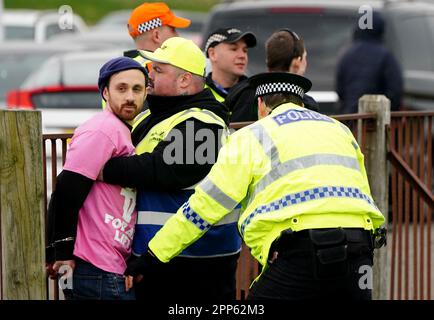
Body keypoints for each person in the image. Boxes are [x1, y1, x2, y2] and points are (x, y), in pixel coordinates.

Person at [124, 72, 386, 300]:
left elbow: (205, 208)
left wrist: (152, 255)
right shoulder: (340, 130)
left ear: (261, 105)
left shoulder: (253, 135)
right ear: (300, 101)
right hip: (359, 251)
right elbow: (362, 190)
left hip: (302, 251)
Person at [100, 37, 241, 301]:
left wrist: (100, 169)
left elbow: (164, 170)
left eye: (159, 70)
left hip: (197, 264)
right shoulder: (155, 115)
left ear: (185, 81)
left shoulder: (205, 123)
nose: (148, 74)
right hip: (160, 259)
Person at [45, 57, 148, 300]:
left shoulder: (123, 129)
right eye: (121, 89)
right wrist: (60, 254)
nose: (130, 97)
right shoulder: (103, 129)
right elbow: (66, 191)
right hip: (94, 271)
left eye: (137, 89)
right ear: (105, 92)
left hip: (109, 268)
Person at [336, 11, 403, 114]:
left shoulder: (347, 55)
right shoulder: (385, 56)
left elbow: (340, 89)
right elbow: (395, 90)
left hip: (350, 118)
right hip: (376, 119)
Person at [204, 27, 258, 122]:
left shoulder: (256, 94)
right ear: (212, 54)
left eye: (245, 50)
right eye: (234, 49)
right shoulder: (199, 93)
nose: (242, 56)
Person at [265, 29, 319, 112]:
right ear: (297, 63)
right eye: (305, 57)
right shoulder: (308, 106)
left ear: (268, 62)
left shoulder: (251, 98)